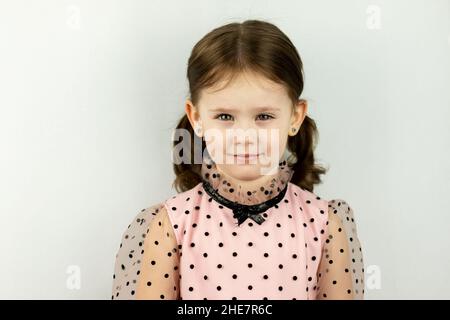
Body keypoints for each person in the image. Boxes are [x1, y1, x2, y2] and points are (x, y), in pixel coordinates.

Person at [111, 19, 364, 300]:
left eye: (264, 116)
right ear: (197, 117)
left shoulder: (324, 224)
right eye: (225, 117)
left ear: (295, 116)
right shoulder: (170, 225)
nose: (244, 136)